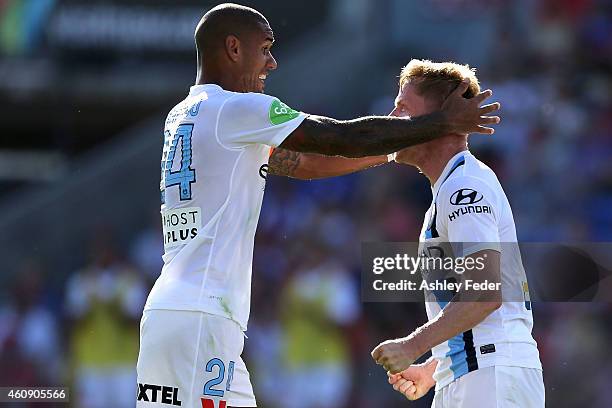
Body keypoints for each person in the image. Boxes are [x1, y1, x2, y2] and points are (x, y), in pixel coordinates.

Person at [136, 3, 500, 407]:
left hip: (180, 312)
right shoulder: (237, 108)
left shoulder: (185, 115)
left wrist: (397, 147)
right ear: (234, 48)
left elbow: (305, 163)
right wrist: (439, 124)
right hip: (201, 316)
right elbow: (337, 137)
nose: (272, 63)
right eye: (266, 48)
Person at [370, 59, 543, 407]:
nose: (392, 117)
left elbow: (484, 294)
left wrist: (412, 345)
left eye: (403, 107)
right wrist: (436, 367)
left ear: (442, 120)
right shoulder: (452, 186)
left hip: (490, 373)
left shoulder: (463, 188)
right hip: (474, 370)